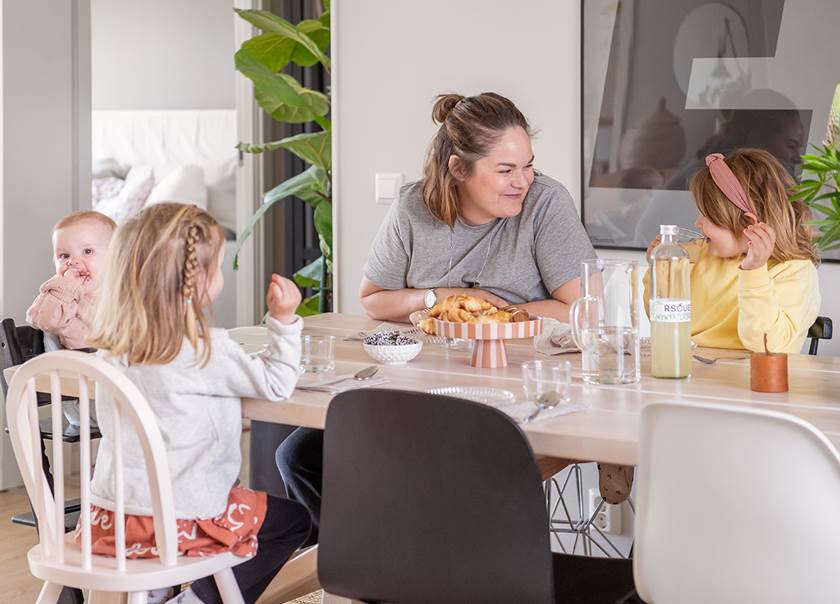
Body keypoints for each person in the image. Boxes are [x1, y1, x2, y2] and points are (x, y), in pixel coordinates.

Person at [278, 92, 599, 545]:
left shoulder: (545, 203)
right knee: (300, 456)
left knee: (428, 470)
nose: (523, 181)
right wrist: (441, 296)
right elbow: (373, 299)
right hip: (419, 384)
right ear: (457, 169)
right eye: (506, 170)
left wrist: (488, 311)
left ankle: (400, 568)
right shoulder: (413, 206)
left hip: (513, 392)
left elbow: (584, 310)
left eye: (528, 165)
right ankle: (372, 568)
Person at [84, 203, 311, 604]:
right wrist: (285, 320)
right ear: (197, 282)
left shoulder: (113, 348)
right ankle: (195, 600)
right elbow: (277, 383)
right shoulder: (207, 350)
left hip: (111, 520)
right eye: (219, 266)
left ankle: (152, 590)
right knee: (293, 521)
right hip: (182, 521)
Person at [644, 148, 821, 353]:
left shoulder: (795, 272)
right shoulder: (697, 256)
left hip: (750, 379)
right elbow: (662, 322)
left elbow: (769, 346)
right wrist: (660, 269)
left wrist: (754, 272)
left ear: (748, 226)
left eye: (706, 216)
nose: (697, 223)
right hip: (688, 369)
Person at [27, 210, 117, 351]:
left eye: (87, 251)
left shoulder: (124, 296)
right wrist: (65, 289)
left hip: (116, 366)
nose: (73, 261)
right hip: (70, 368)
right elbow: (41, 320)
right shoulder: (60, 293)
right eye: (64, 256)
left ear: (115, 256)